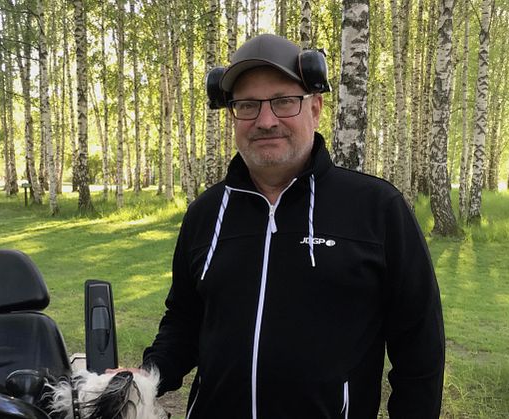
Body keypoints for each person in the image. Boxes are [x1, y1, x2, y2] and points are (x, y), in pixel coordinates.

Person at [141, 34, 445, 418]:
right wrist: (145, 376)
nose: (266, 121)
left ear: (315, 108)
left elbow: (420, 348)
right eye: (248, 106)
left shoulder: (377, 209)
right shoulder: (205, 213)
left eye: (284, 101)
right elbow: (185, 321)